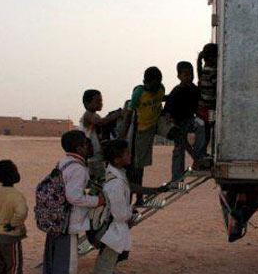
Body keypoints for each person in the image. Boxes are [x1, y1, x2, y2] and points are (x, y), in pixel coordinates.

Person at [42, 130, 104, 274]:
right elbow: (73, 197)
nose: (90, 145)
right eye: (86, 143)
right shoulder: (78, 169)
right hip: (67, 222)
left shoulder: (63, 162)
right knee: (67, 264)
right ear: (80, 148)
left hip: (55, 219)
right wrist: (97, 201)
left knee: (53, 260)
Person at [121, 66, 173, 205]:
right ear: (145, 82)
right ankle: (137, 198)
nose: (154, 89)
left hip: (156, 123)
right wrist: (122, 137)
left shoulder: (161, 88)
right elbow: (128, 116)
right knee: (137, 167)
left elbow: (163, 99)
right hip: (142, 130)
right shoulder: (139, 93)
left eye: (157, 85)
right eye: (152, 86)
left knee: (177, 133)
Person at [94, 140, 133, 274]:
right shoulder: (115, 182)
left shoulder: (117, 174)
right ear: (117, 159)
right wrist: (130, 214)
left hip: (114, 226)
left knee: (109, 258)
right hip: (112, 228)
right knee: (107, 259)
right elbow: (119, 212)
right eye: (126, 153)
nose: (129, 156)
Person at [163, 61, 208, 180]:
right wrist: (172, 125)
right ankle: (177, 179)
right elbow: (168, 111)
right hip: (178, 124)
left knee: (201, 125)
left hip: (190, 121)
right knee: (179, 150)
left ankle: (198, 158)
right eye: (186, 75)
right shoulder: (176, 91)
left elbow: (200, 104)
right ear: (179, 76)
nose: (189, 77)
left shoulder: (194, 89)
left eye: (191, 74)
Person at [79, 89, 122, 183]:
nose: (100, 103)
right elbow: (102, 122)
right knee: (99, 181)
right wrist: (117, 114)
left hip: (96, 155)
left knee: (98, 181)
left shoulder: (94, 115)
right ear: (87, 103)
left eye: (101, 101)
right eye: (97, 101)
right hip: (92, 157)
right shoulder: (88, 115)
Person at [197, 43, 218, 155]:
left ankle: (202, 153)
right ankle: (201, 155)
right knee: (208, 132)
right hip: (209, 106)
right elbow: (216, 86)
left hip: (203, 107)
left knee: (205, 133)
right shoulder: (212, 71)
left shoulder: (205, 69)